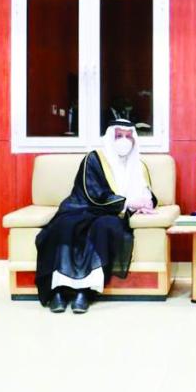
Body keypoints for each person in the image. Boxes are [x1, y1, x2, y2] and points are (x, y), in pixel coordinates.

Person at [35, 119, 157, 314]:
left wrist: (146, 203)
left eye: (128, 136)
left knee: (104, 227)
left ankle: (84, 291)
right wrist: (128, 202)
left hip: (112, 214)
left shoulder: (138, 165)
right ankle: (58, 289)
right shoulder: (94, 159)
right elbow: (93, 193)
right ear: (110, 137)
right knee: (65, 226)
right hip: (81, 207)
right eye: (119, 136)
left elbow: (145, 193)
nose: (124, 141)